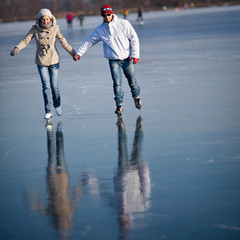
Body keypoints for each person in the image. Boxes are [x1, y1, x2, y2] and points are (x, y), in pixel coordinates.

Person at [73, 5, 142, 117]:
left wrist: (135, 54)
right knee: (117, 84)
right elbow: (89, 41)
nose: (107, 17)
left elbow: (134, 38)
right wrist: (79, 52)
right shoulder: (100, 29)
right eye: (104, 16)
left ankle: (137, 98)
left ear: (112, 13)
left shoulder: (124, 24)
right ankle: (119, 105)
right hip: (113, 60)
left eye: (108, 15)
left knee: (132, 81)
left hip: (127, 58)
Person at [10, 8, 75, 120]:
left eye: (47, 19)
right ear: (40, 19)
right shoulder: (35, 29)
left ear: (50, 18)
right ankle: (48, 110)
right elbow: (26, 40)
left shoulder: (55, 28)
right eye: (43, 19)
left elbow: (63, 41)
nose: (45, 21)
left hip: (54, 60)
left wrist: (73, 52)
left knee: (54, 86)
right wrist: (17, 48)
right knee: (45, 86)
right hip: (41, 60)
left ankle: (57, 104)